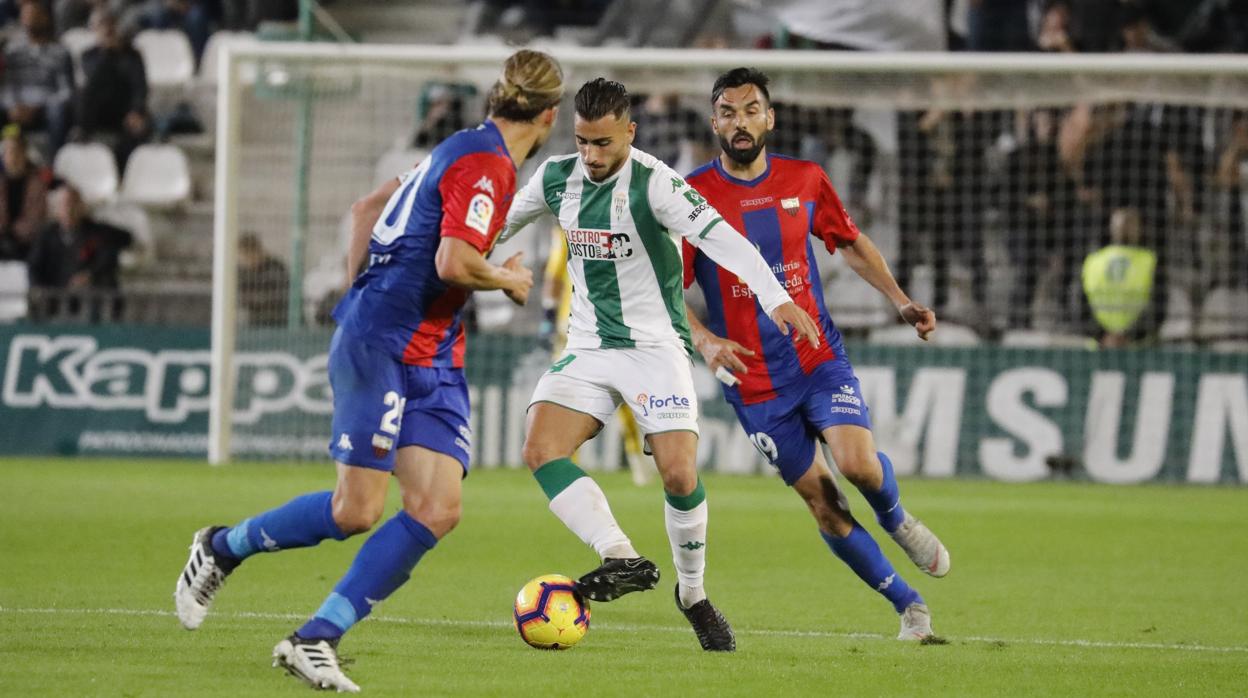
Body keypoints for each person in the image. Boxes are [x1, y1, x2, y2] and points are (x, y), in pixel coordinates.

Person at [173, 49, 563, 693]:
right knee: (356, 510)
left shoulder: (456, 146)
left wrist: (367, 292)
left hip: (431, 352)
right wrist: (507, 279)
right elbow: (454, 263)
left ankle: (315, 639)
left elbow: (363, 209)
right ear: (549, 115)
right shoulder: (488, 166)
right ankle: (221, 547)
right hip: (386, 346)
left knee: (437, 507)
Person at [501, 77, 821, 653]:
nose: (593, 157)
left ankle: (693, 596)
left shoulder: (658, 183)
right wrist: (461, 258)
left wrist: (775, 298)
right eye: (583, 143)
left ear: (631, 131)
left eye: (605, 143)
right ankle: (619, 554)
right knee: (540, 449)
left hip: (655, 348)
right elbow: (497, 224)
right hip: (590, 344)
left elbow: (725, 241)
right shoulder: (555, 178)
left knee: (678, 475)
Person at [682, 68, 949, 641]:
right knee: (824, 504)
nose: (740, 121)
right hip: (753, 383)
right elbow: (660, 288)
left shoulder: (805, 179)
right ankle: (910, 608)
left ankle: (897, 518)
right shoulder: (690, 198)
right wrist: (704, 339)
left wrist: (900, 300)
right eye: (727, 112)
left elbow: (850, 242)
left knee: (856, 465)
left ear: (770, 118)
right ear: (714, 122)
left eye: (751, 109)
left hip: (816, 357)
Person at [538, 223, 652, 485]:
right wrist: (547, 315)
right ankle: (568, 468)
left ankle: (637, 456)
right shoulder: (568, 228)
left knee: (624, 397)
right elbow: (554, 275)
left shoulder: (619, 227)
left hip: (609, 327)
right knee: (565, 400)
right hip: (572, 330)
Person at [1, 1, 76, 161]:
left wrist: (37, 107)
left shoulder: (60, 52)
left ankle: (56, 162)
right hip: (17, 110)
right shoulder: (13, 51)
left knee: (58, 111)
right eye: (25, 15)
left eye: (34, 14)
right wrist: (13, 106)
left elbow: (66, 92)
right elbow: (7, 86)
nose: (28, 19)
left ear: (46, 18)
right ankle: (6, 162)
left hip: (45, 109)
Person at [79, 7, 151, 171]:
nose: (107, 29)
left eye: (110, 24)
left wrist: (137, 110)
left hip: (125, 111)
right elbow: (94, 82)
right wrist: (107, 52)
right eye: (101, 25)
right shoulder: (88, 56)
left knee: (139, 129)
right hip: (99, 111)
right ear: (94, 30)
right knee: (83, 96)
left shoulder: (133, 55)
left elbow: (140, 86)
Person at [0, 124, 50, 261]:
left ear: (24, 153)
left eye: (16, 151)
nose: (12, 156)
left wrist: (13, 235)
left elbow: (36, 218)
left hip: (27, 243)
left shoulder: (37, 183)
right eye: (8, 152)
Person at [236, 231, 289, 327]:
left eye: (249, 255)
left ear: (257, 251)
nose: (246, 260)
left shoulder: (276, 268)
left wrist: (255, 299)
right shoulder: (242, 272)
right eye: (243, 256)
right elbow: (242, 298)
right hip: (255, 322)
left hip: (279, 322)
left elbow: (279, 297)